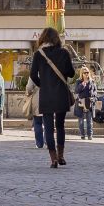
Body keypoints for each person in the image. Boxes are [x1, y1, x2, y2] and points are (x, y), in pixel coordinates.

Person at [30, 27, 74, 169]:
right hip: (61, 94)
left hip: (46, 95)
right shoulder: (64, 53)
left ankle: (53, 158)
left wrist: (43, 85)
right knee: (60, 126)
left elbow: (32, 75)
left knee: (48, 127)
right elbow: (72, 73)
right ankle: (61, 156)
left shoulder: (39, 54)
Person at [73, 68, 97, 140]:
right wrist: (82, 85)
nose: (86, 74)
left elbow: (95, 91)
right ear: (82, 74)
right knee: (81, 121)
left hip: (89, 102)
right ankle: (82, 135)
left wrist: (94, 97)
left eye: (87, 72)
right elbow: (76, 91)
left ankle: (90, 135)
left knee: (89, 121)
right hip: (81, 103)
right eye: (84, 73)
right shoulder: (78, 81)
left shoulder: (92, 81)